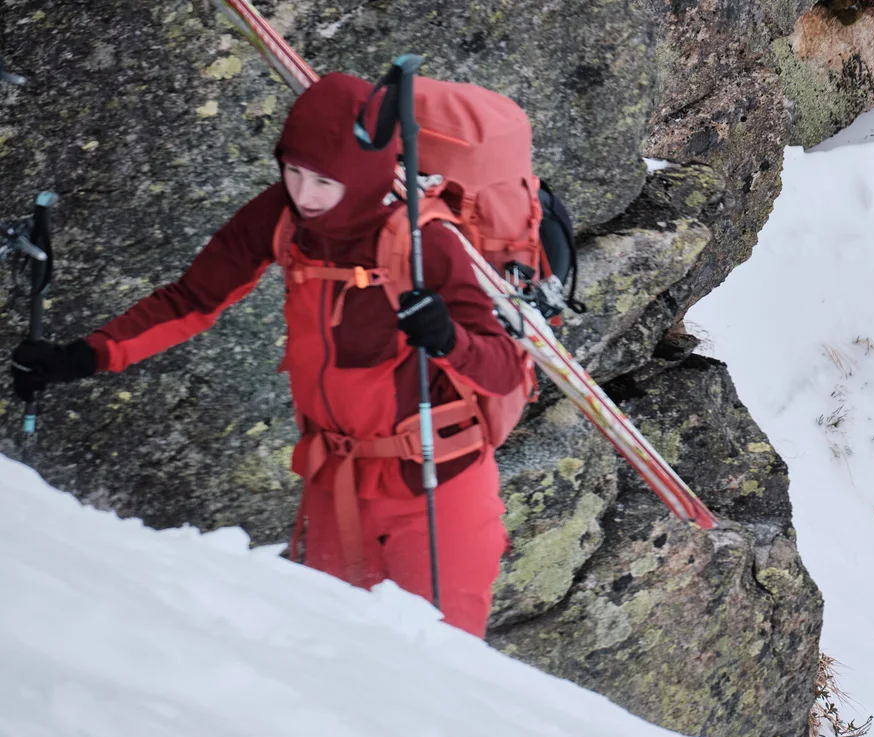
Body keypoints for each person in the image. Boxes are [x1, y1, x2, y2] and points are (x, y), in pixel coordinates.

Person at [9, 73, 527, 637]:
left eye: (325, 181)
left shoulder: (427, 243)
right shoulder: (281, 216)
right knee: (336, 657)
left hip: (434, 484)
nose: (306, 194)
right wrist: (83, 357)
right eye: (294, 170)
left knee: (445, 669)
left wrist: (447, 337)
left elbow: (501, 369)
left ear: (361, 176)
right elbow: (193, 299)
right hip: (334, 481)